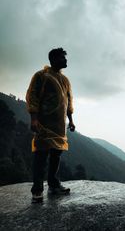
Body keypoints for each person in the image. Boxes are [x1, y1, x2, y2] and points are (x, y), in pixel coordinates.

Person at [26, 48, 75, 203]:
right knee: (41, 156)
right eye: (62, 58)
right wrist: (34, 118)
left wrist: (71, 120)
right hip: (44, 123)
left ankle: (54, 185)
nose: (66, 61)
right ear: (54, 59)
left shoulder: (65, 80)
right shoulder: (42, 76)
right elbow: (32, 96)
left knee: (56, 155)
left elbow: (68, 101)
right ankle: (37, 191)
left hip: (60, 125)